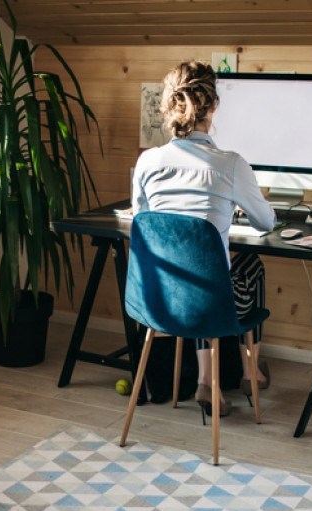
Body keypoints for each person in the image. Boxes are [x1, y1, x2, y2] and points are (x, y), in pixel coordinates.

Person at [131, 60, 275, 417]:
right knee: (248, 266)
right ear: (212, 106)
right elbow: (265, 222)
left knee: (192, 269)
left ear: (168, 107)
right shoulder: (229, 164)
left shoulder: (147, 163)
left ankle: (206, 383)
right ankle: (249, 371)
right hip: (211, 304)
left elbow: (141, 221)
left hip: (157, 301)